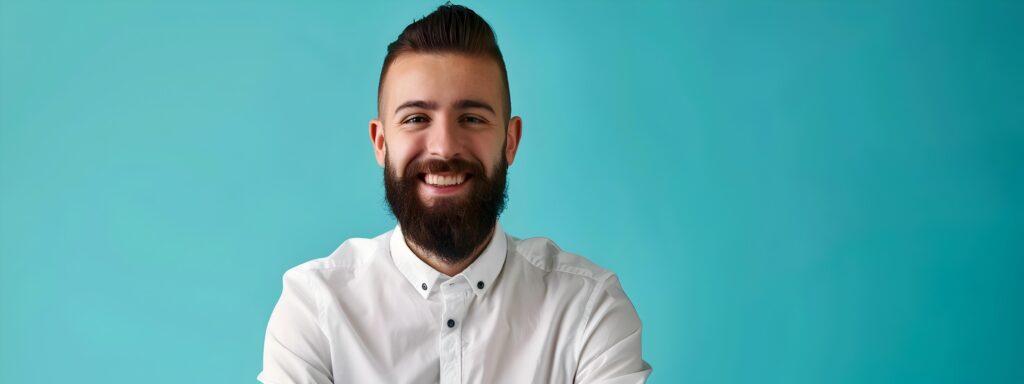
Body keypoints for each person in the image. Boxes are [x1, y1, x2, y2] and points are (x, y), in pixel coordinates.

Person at [257, 3, 651, 383]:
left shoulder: (589, 309)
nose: (444, 148)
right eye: (416, 118)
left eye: (472, 118)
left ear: (510, 141)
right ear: (381, 142)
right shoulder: (314, 308)